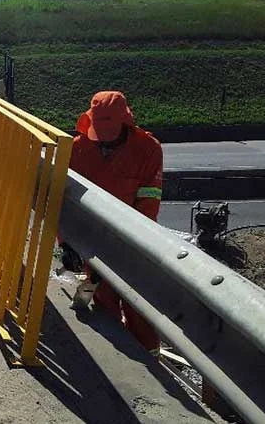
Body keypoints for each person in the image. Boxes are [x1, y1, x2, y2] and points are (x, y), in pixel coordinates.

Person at [67, 91, 163, 355]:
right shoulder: (78, 149)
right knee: (105, 299)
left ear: (125, 122)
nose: (104, 144)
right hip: (93, 239)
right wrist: (67, 244)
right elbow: (67, 202)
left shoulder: (148, 149)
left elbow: (148, 204)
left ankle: (149, 358)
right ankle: (118, 357)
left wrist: (126, 249)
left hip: (133, 242)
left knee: (138, 304)